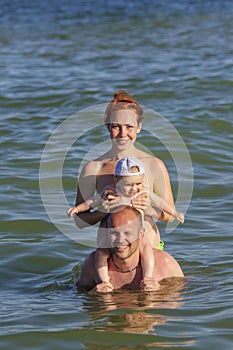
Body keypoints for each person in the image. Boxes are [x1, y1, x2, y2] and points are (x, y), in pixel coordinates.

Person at [74, 89, 181, 286]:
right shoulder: (93, 168)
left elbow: (168, 216)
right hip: (109, 259)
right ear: (107, 127)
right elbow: (80, 221)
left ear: (139, 127)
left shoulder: (153, 165)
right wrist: (102, 211)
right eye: (116, 127)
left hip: (150, 252)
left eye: (129, 127)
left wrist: (147, 207)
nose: (123, 134)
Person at [68, 157, 184, 290]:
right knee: (101, 252)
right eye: (128, 184)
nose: (134, 188)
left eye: (138, 183)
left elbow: (161, 203)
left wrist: (175, 213)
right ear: (116, 181)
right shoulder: (111, 192)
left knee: (146, 249)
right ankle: (104, 280)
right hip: (114, 235)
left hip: (138, 234)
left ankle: (148, 277)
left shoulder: (144, 193)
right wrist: (77, 209)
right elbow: (91, 202)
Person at [76, 206, 184, 293]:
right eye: (114, 233)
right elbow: (75, 295)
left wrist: (160, 291)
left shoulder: (164, 263)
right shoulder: (92, 264)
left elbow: (184, 295)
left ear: (141, 234)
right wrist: (95, 295)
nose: (121, 240)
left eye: (128, 233)